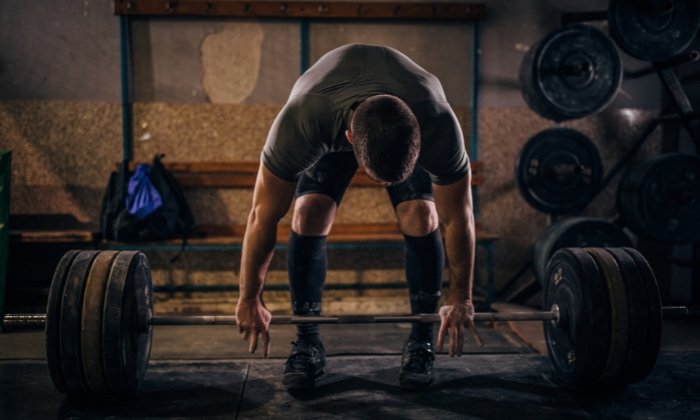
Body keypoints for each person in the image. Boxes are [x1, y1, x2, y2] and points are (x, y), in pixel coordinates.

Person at [235, 43, 480, 390]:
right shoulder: (303, 121)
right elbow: (262, 216)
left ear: (420, 139)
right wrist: (248, 298)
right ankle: (307, 342)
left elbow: (458, 216)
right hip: (329, 114)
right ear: (349, 140)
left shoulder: (438, 122)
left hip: (403, 114)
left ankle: (422, 341)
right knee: (307, 213)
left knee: (423, 214)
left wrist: (461, 297)